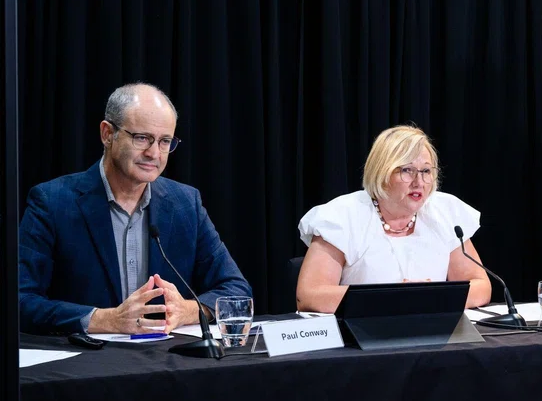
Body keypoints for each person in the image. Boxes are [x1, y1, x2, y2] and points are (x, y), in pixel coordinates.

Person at [19, 83, 252, 335]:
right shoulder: (52, 202)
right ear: (107, 134)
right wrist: (104, 320)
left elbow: (236, 290)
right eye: (142, 138)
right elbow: (19, 300)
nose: (154, 153)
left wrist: (187, 310)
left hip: (166, 364)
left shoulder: (185, 203)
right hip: (84, 365)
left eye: (165, 142)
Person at [296, 125, 492, 312]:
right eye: (407, 170)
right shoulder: (342, 216)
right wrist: (395, 300)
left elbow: (481, 286)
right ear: (382, 172)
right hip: (361, 337)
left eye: (426, 171)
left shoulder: (444, 212)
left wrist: (432, 298)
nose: (419, 182)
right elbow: (310, 295)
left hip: (433, 332)